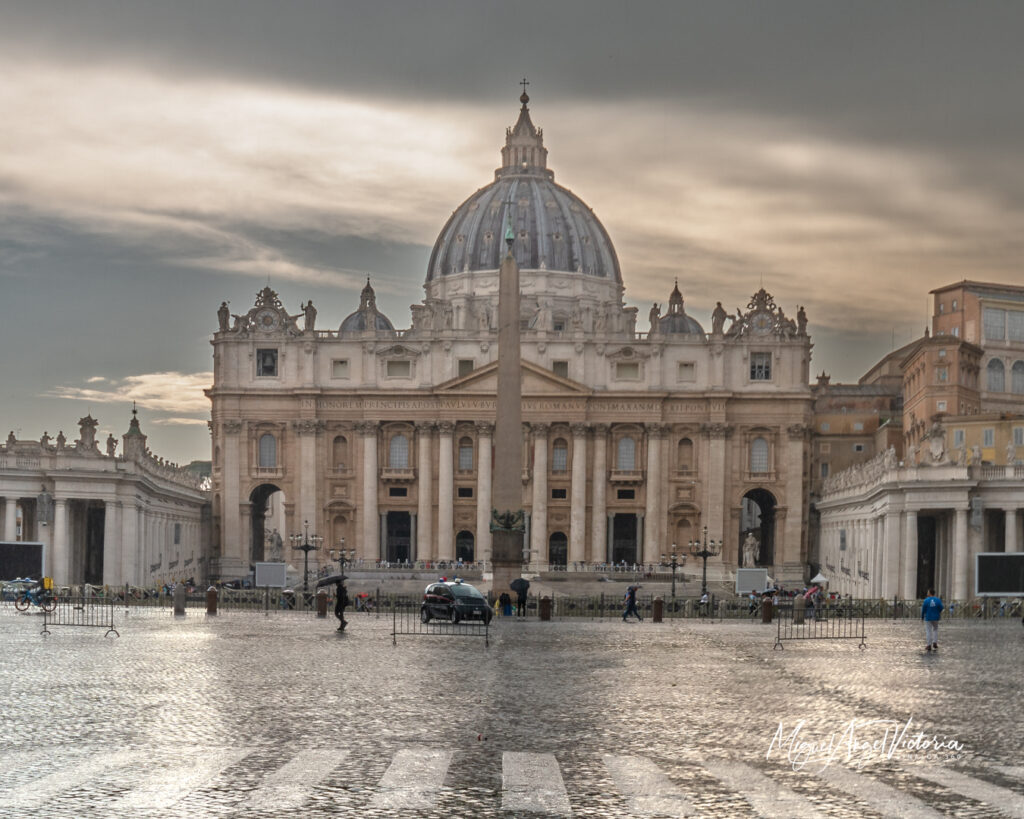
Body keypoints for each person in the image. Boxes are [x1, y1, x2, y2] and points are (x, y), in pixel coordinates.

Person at [922, 588, 944, 652]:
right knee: (935, 629)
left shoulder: (926, 600)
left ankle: (929, 645)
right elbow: (941, 607)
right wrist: (938, 612)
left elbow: (923, 609)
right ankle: (935, 642)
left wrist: (922, 616)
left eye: (928, 592)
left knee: (928, 631)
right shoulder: (938, 600)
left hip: (928, 617)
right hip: (936, 617)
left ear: (929, 593)